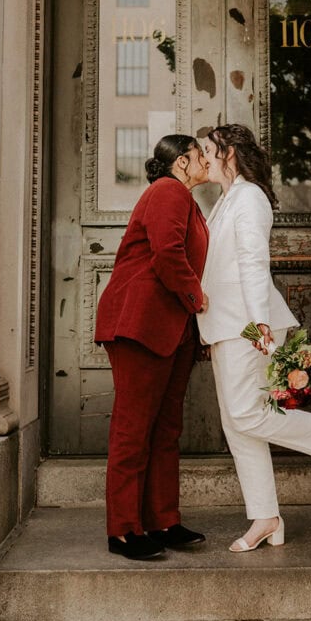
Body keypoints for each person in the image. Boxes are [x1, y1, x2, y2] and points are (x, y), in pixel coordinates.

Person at [199, 124, 311, 552]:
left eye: (208, 150)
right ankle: (265, 517)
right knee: (239, 425)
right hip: (225, 325)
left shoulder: (250, 197)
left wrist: (259, 324)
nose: (202, 157)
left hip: (248, 324)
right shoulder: (224, 200)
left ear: (230, 154)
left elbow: (253, 263)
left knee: (246, 415)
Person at [94, 134, 210, 560]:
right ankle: (123, 530)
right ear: (181, 162)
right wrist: (197, 298)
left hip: (172, 327)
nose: (206, 161)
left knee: (165, 430)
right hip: (140, 325)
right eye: (200, 155)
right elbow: (166, 253)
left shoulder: (184, 198)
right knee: (133, 431)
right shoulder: (167, 192)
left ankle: (163, 520)